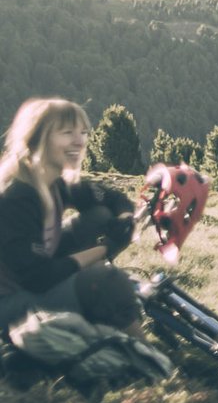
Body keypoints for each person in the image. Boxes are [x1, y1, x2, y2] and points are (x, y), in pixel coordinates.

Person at [0, 98, 140, 332]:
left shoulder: (58, 182)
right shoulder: (15, 197)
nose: (79, 141)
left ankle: (107, 308)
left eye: (83, 133)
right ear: (37, 139)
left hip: (41, 273)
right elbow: (37, 278)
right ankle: (149, 364)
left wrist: (125, 218)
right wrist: (105, 249)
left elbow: (113, 198)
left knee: (100, 216)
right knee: (107, 284)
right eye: (67, 133)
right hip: (12, 303)